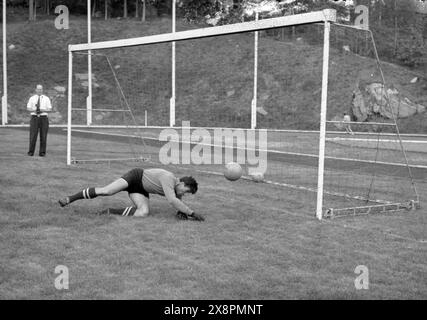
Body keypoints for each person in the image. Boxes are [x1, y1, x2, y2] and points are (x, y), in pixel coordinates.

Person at [58, 167, 204, 221]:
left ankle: (110, 211)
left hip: (141, 189)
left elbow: (177, 203)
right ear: (183, 184)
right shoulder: (169, 178)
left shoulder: (175, 189)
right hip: (135, 177)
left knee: (143, 212)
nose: (184, 195)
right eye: (186, 191)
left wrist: (181, 212)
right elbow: (172, 201)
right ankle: (69, 199)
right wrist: (191, 213)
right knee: (107, 191)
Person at [27, 84, 52, 156]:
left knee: (43, 136)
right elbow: (28, 108)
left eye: (41, 89)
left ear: (42, 90)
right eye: (38, 89)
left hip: (43, 118)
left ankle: (42, 153)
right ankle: (31, 152)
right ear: (36, 90)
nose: (39, 90)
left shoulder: (46, 98)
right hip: (34, 118)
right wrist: (34, 110)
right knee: (33, 136)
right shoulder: (32, 98)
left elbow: (49, 109)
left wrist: (42, 110)